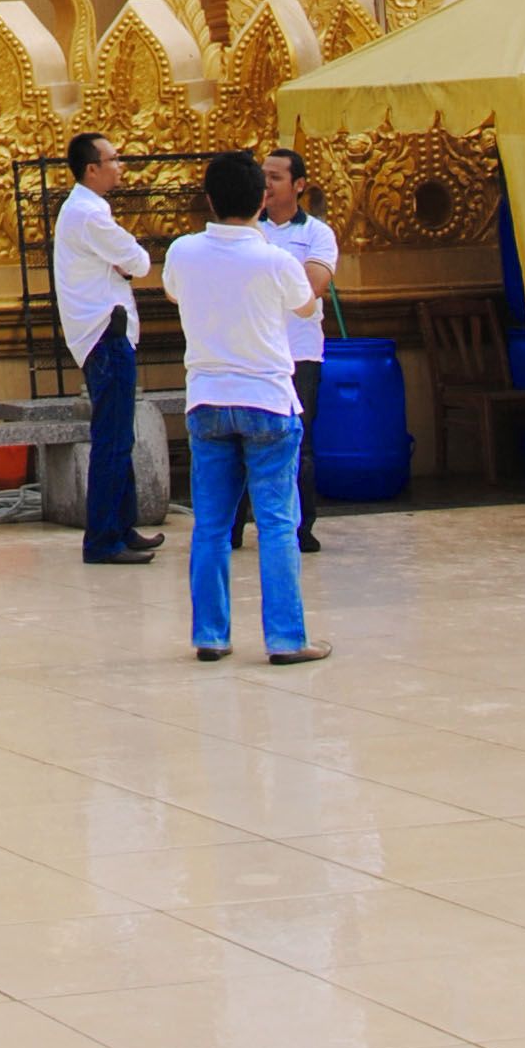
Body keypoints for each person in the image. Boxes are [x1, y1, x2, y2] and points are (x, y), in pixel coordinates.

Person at [164, 147, 330, 668]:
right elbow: (305, 302)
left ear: (209, 199)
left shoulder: (183, 253)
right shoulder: (276, 259)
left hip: (208, 399)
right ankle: (285, 638)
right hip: (267, 401)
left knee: (211, 525)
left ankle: (211, 634)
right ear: (262, 198)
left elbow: (173, 294)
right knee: (278, 523)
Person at [52, 133, 161, 568]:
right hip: (106, 336)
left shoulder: (85, 210)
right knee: (112, 440)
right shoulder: (88, 215)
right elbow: (138, 261)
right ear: (91, 169)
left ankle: (121, 525)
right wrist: (127, 261)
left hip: (103, 335)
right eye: (113, 159)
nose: (120, 165)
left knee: (120, 436)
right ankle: (102, 538)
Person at [232, 147, 336, 555]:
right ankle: (234, 528)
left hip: (299, 353)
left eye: (276, 177)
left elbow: (311, 288)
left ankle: (300, 527)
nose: (267, 184)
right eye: (263, 176)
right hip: (251, 351)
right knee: (239, 441)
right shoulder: (245, 230)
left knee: (298, 444)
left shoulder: (316, 234)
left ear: (299, 185)